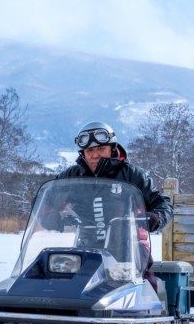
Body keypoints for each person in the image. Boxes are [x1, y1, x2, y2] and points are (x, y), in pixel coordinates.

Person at [55, 121, 172, 288]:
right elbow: (49, 200)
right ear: (83, 153)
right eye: (90, 150)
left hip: (129, 250)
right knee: (71, 291)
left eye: (101, 149)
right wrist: (50, 216)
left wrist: (156, 217)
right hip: (86, 250)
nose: (95, 155)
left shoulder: (131, 174)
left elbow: (163, 203)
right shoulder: (72, 177)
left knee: (144, 289)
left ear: (112, 148)